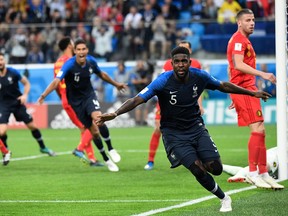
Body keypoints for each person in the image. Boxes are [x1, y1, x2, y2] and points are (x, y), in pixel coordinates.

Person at [96, 46, 272, 212]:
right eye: (177, 61)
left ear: (189, 62)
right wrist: (116, 113)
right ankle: (224, 198)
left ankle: (207, 162)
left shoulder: (200, 76)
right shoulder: (163, 81)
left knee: (215, 168)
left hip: (196, 128)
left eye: (184, 61)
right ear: (172, 63)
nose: (181, 65)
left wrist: (252, 93)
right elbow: (137, 99)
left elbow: (223, 85)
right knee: (196, 169)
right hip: (173, 133)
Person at [38, 38, 127, 172]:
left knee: (99, 119)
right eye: (78, 49)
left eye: (83, 49)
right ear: (74, 51)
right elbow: (57, 81)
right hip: (75, 103)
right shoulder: (68, 65)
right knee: (94, 132)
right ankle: (106, 159)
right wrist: (44, 95)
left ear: (87, 50)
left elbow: (101, 74)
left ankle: (110, 148)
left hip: (89, 96)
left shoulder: (91, 61)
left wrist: (116, 84)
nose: (81, 52)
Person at [227, 8, 283, 189]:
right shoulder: (238, 40)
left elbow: (231, 68)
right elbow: (237, 64)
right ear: (239, 22)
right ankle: (253, 173)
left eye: (253, 20)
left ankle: (263, 172)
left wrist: (230, 91)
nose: (252, 23)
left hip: (247, 89)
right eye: (248, 20)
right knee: (257, 130)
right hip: (244, 90)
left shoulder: (244, 40)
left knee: (262, 130)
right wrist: (263, 74)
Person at [144, 41, 204, 170]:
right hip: (167, 103)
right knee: (158, 128)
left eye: (185, 49)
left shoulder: (196, 65)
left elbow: (198, 87)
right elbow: (162, 84)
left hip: (188, 104)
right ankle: (150, 161)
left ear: (190, 52)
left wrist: (200, 104)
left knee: (194, 129)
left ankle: (196, 158)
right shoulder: (167, 64)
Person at [0, 53, 55, 157]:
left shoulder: (13, 72)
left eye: (1, 59)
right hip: (3, 105)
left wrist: (24, 95)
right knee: (1, 132)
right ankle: (6, 152)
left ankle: (43, 147)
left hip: (17, 103)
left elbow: (27, 83)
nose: (0, 62)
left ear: (4, 61)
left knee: (32, 126)